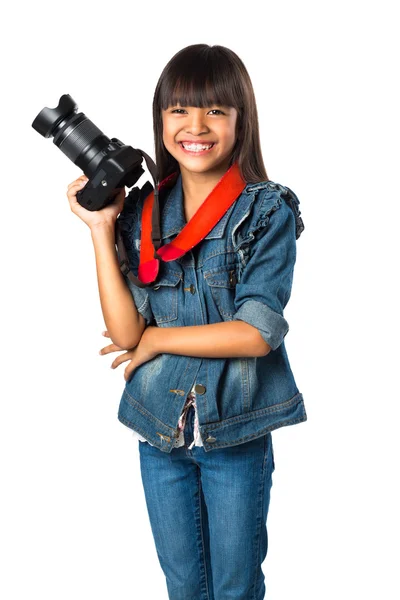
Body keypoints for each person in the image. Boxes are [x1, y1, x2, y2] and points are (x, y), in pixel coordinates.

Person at [66, 43, 307, 600]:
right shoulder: (144, 213)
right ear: (160, 119)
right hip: (160, 431)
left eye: (216, 111)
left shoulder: (266, 210)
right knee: (182, 585)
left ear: (241, 121)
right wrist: (102, 229)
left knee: (235, 585)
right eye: (179, 110)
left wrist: (158, 341)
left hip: (236, 434)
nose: (195, 125)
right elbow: (128, 335)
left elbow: (256, 333)